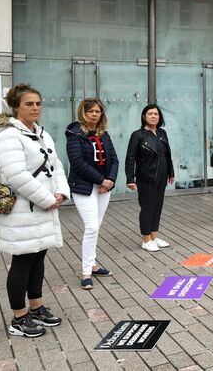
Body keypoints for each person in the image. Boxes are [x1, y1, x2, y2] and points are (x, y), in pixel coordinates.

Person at [0, 84, 68, 338]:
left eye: (38, 103)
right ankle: (19, 317)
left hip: (44, 207)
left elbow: (56, 166)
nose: (35, 108)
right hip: (22, 210)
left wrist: (60, 192)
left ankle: (36, 306)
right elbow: (16, 175)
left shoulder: (42, 134)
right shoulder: (8, 136)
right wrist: (47, 198)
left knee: (39, 258)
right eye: (29, 104)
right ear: (16, 107)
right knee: (22, 261)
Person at [66, 98, 118, 290]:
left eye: (98, 111)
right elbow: (78, 163)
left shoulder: (104, 134)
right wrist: (101, 180)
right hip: (84, 187)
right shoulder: (75, 134)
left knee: (96, 227)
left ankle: (93, 264)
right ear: (83, 113)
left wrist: (110, 181)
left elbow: (114, 159)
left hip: (104, 189)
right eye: (91, 111)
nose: (94, 114)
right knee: (91, 227)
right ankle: (86, 271)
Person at [125, 104, 175, 252]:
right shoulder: (138, 135)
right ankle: (146, 239)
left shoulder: (162, 133)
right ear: (144, 117)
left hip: (162, 175)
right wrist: (130, 178)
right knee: (148, 207)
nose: (154, 116)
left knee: (157, 206)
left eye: (156, 114)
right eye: (150, 114)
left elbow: (167, 155)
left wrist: (170, 172)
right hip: (146, 176)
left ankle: (154, 236)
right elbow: (130, 158)